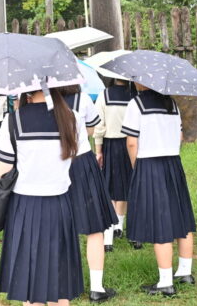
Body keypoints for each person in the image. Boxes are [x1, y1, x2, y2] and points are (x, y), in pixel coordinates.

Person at [0, 88, 83, 306]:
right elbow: (75, 160)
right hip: (61, 204)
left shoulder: (13, 121)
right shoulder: (71, 118)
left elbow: (2, 171)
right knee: (59, 280)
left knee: (30, 282)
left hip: (25, 206)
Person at [123, 84, 196, 297]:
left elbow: (131, 143)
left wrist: (137, 167)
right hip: (173, 164)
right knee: (181, 216)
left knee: (159, 221)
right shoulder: (172, 104)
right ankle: (185, 272)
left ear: (144, 82)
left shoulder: (136, 104)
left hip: (149, 164)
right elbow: (180, 137)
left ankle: (165, 283)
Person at [61, 87, 118, 302]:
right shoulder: (82, 98)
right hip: (82, 162)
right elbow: (93, 128)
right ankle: (96, 288)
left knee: (61, 226)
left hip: (55, 164)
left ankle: (64, 285)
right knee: (94, 227)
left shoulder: (44, 100)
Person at [93, 78, 135, 251]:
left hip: (110, 144)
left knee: (109, 186)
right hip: (131, 143)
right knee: (127, 185)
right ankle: (119, 225)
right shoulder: (135, 96)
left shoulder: (104, 94)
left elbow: (99, 125)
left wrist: (98, 150)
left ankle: (108, 236)